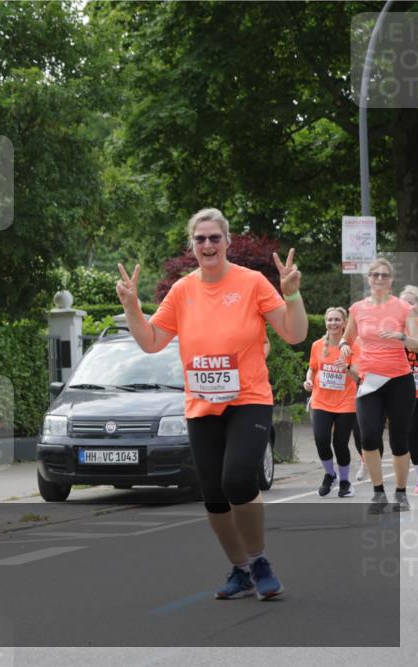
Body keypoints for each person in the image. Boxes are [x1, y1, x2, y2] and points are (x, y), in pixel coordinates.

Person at [116, 208, 307, 601]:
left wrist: (292, 294)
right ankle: (240, 569)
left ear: (227, 241)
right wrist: (132, 307)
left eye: (214, 238)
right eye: (200, 239)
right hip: (201, 406)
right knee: (214, 495)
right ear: (192, 246)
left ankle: (259, 560)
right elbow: (151, 342)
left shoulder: (252, 282)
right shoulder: (184, 290)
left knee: (238, 479)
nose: (207, 245)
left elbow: (293, 333)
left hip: (248, 400)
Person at [340, 259, 418, 513]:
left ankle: (399, 493)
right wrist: (343, 344)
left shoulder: (404, 308)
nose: (379, 279)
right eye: (375, 275)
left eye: (384, 275)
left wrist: (402, 337)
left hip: (399, 380)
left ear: (391, 280)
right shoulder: (357, 309)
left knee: (399, 439)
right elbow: (348, 336)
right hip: (370, 381)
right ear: (368, 279)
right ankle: (378, 493)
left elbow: (417, 343)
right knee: (369, 436)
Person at [303, 307, 360, 498]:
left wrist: (347, 367)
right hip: (321, 401)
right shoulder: (317, 345)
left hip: (346, 403)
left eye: (337, 320)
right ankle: (330, 474)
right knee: (321, 439)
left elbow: (359, 377)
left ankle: (345, 481)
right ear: (325, 322)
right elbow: (312, 368)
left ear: (345, 323)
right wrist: (308, 380)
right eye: (330, 320)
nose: (333, 323)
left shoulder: (353, 346)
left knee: (340, 444)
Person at [399, 285, 418, 494]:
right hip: (406, 392)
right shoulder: (394, 329)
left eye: (411, 301)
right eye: (404, 302)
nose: (408, 306)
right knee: (411, 434)